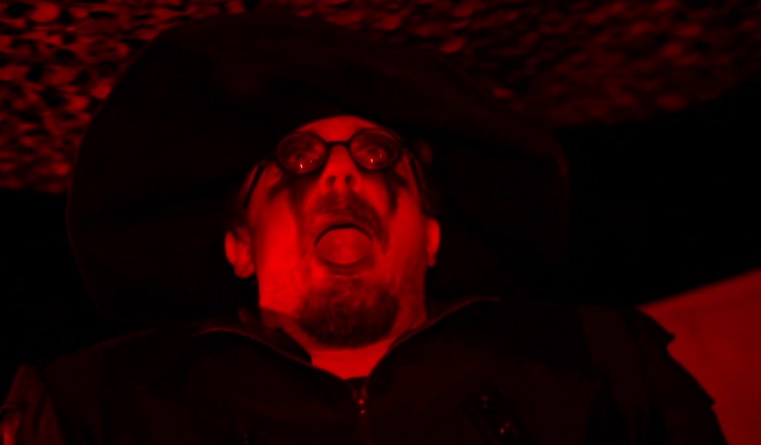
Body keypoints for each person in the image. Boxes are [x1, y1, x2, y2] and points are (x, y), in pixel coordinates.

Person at [0, 9, 726, 445]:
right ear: (239, 246)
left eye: (380, 156)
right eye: (297, 160)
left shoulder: (601, 367)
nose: (341, 176)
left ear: (431, 236)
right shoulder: (98, 410)